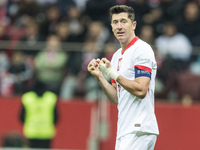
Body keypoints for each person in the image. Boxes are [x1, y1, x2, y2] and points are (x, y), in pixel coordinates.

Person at [87, 5, 159, 150]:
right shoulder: (116, 55)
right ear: (111, 26)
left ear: (133, 25)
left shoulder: (141, 49)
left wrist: (113, 74)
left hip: (139, 128)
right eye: (115, 22)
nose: (119, 26)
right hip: (125, 129)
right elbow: (117, 98)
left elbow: (141, 90)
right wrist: (100, 77)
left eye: (123, 21)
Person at [19, 80, 58, 148]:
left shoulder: (27, 98)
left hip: (31, 132)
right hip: (46, 132)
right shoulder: (51, 98)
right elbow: (56, 117)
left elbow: (21, 117)